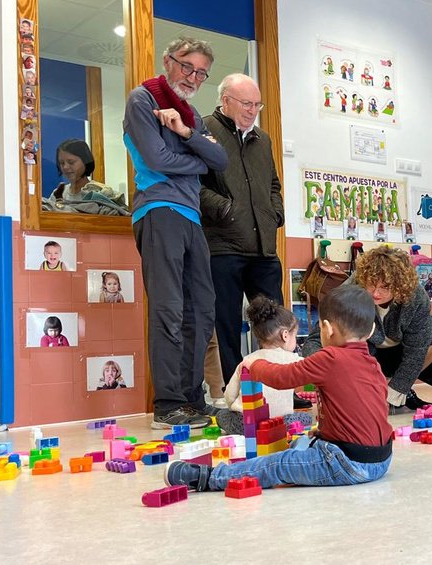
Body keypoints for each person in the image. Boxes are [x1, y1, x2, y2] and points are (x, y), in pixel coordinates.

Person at [164, 285, 393, 492]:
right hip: (381, 460)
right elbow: (362, 412)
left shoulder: (331, 357)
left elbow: (283, 377)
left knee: (277, 464)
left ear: (327, 328)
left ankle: (207, 477)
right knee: (301, 444)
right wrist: (326, 433)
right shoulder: (373, 364)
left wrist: (255, 365)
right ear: (371, 331)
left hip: (348, 463)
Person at [124, 36, 228, 429]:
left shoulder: (192, 117)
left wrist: (187, 134)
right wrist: (196, 159)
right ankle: (167, 404)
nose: (193, 77)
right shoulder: (142, 100)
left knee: (201, 309)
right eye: (187, 67)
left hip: (190, 216)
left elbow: (219, 160)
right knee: (168, 308)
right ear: (168, 61)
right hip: (157, 209)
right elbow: (156, 158)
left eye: (201, 72)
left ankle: (190, 397)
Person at [199, 73, 285, 387]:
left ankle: (278, 383)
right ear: (226, 101)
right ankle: (233, 392)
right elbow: (195, 185)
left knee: (274, 320)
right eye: (246, 103)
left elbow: (273, 185)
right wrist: (225, 209)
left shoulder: (263, 139)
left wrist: (275, 212)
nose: (252, 110)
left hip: (263, 246)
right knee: (227, 323)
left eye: (257, 105)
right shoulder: (204, 129)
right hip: (223, 244)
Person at [302, 246, 432, 411]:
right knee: (347, 340)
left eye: (385, 287)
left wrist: (395, 392)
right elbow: (316, 339)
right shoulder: (349, 292)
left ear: (400, 285)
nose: (376, 293)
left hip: (399, 354)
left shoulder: (417, 298)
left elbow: (416, 351)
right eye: (371, 284)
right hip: (365, 356)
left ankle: (394, 385)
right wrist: (329, 370)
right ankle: (367, 388)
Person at [215, 296, 301, 435]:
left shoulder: (248, 360)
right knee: (303, 418)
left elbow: (229, 395)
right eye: (295, 336)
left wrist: (233, 407)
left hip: (247, 423)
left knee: (222, 415)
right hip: (280, 421)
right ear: (285, 335)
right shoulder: (295, 360)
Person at [45, 139, 129, 216]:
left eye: (71, 162)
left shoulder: (102, 192)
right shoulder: (58, 194)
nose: (65, 167)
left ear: (85, 161)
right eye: (62, 163)